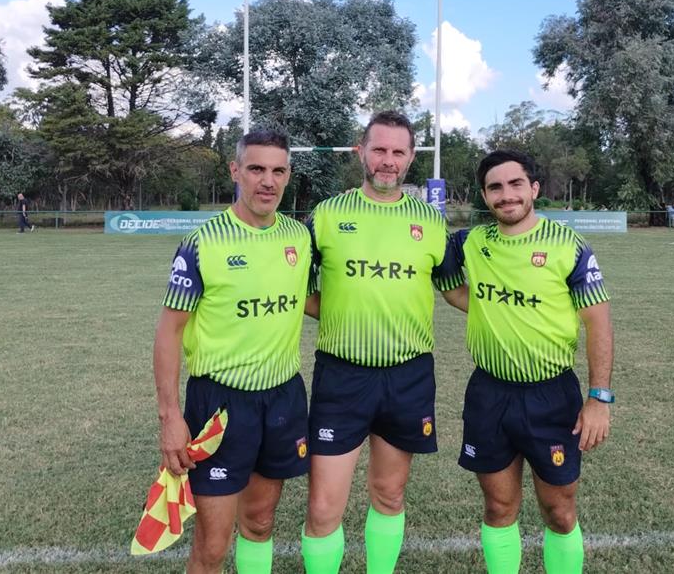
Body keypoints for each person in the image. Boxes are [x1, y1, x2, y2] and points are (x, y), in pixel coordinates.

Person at [438, 149, 614, 574]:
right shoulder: (471, 242)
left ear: (534, 188)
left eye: (516, 184)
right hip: (489, 392)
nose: (506, 195)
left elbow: (599, 323)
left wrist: (598, 398)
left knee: (560, 511)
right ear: (485, 195)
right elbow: (448, 285)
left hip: (552, 395)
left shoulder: (567, 245)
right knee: (499, 507)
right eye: (495, 187)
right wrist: (487, 308)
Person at [301, 110, 457, 574]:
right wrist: (345, 313)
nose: (388, 161)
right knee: (324, 507)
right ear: (361, 152)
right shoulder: (327, 215)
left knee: (389, 494)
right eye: (379, 150)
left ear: (411, 158)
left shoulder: (430, 221)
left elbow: (453, 288)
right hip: (341, 375)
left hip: (407, 376)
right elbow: (298, 288)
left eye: (398, 152)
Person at [152, 128, 314, 574]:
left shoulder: (299, 238)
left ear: (288, 175)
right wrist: (170, 418)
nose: (268, 181)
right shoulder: (203, 241)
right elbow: (168, 333)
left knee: (260, 523)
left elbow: (313, 300)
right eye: (257, 169)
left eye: (278, 171)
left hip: (282, 398)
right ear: (235, 171)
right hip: (219, 406)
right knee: (212, 544)